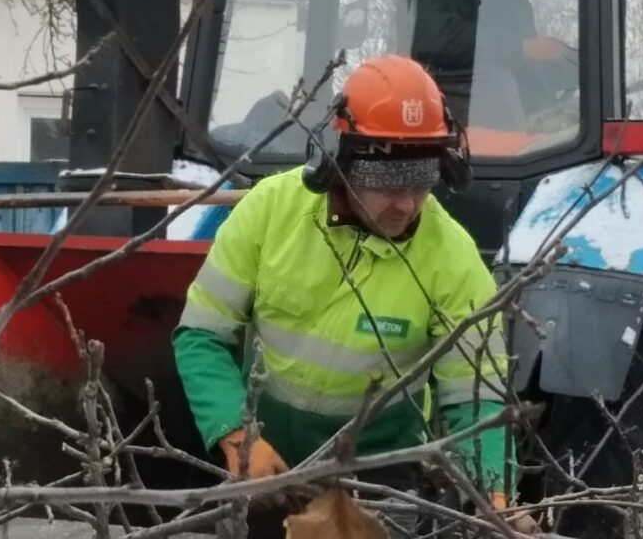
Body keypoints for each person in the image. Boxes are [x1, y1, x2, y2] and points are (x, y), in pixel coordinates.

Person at [172, 54, 537, 536]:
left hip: (381, 473)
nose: (406, 204)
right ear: (338, 162)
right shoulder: (270, 212)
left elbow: (476, 398)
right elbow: (201, 336)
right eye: (387, 184)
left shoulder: (453, 259)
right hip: (268, 461)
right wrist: (239, 441)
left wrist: (496, 499)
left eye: (421, 183)